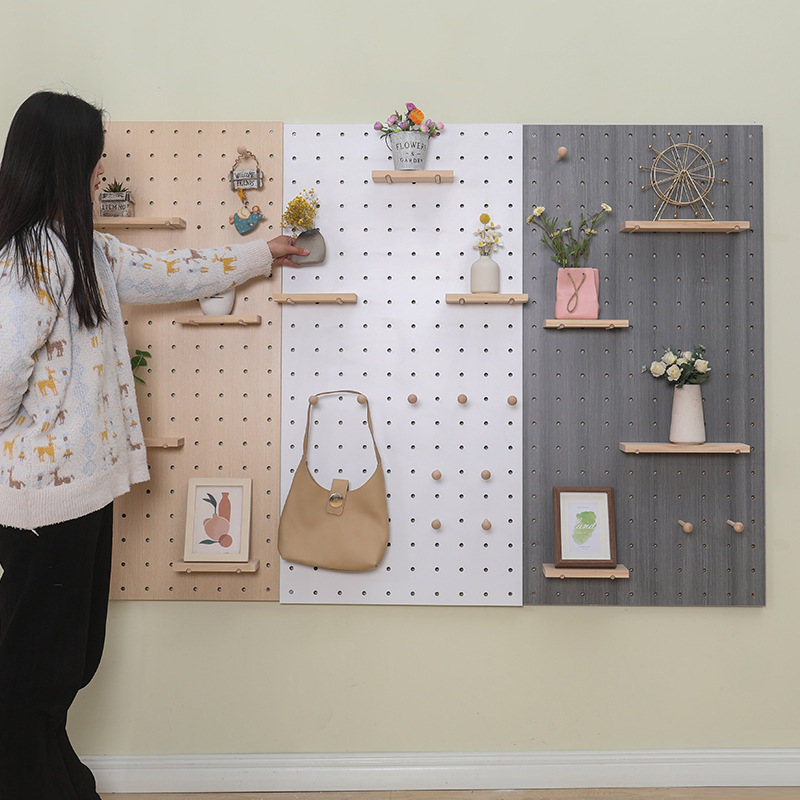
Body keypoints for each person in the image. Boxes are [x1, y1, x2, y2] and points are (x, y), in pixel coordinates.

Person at [0, 90, 308, 800]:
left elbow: (171, 273)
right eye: (93, 154)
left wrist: (261, 253)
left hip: (80, 491)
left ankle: (51, 771)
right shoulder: (28, 261)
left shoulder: (82, 249)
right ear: (64, 160)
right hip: (42, 501)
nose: (101, 163)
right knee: (34, 664)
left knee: (69, 657)